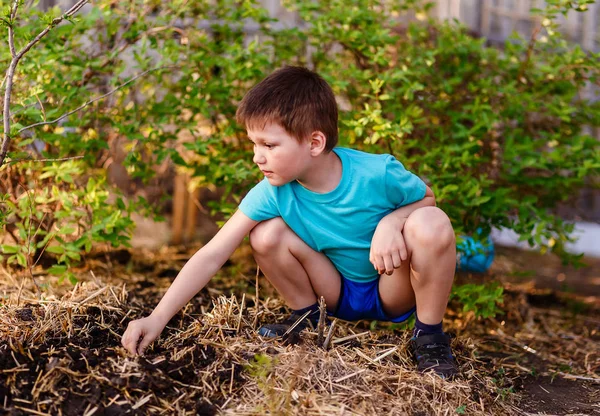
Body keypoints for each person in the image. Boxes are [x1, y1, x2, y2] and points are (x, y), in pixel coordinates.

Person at [121, 66, 458, 378]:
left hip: (390, 283)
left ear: (314, 143)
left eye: (269, 144)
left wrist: (391, 223)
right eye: (254, 144)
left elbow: (427, 198)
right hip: (333, 291)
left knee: (430, 222)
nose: (257, 156)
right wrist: (157, 317)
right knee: (266, 234)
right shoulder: (272, 191)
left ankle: (428, 337)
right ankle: (307, 317)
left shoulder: (376, 173)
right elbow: (213, 253)